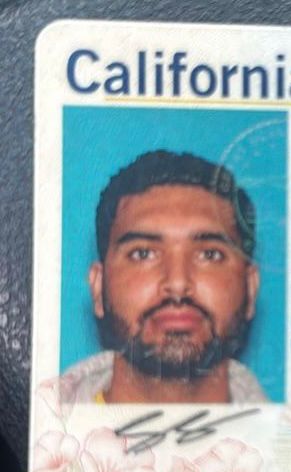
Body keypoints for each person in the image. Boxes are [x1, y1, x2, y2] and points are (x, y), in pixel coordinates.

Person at [62, 150, 267, 403]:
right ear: (97, 287)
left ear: (250, 288)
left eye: (210, 255)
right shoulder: (36, 424)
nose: (178, 284)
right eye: (143, 254)